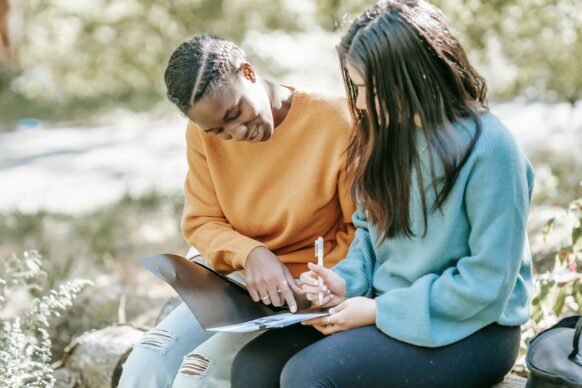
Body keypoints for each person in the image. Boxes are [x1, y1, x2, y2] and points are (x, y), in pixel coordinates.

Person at [230, 1, 535, 387]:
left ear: (412, 78)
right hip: (385, 305)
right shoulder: (389, 137)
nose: (358, 103)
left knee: (308, 376)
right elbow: (371, 233)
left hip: (476, 328)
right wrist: (343, 283)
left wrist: (377, 311)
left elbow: (487, 283)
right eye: (355, 89)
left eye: (365, 90)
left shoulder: (491, 149)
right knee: (253, 367)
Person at [118, 33, 356, 387]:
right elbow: (201, 221)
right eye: (218, 130)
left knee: (198, 375)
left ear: (248, 72)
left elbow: (361, 230)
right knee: (148, 359)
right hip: (238, 285)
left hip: (307, 290)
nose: (238, 132)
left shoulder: (336, 122)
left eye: (236, 113)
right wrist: (251, 253)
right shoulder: (200, 136)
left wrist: (320, 283)